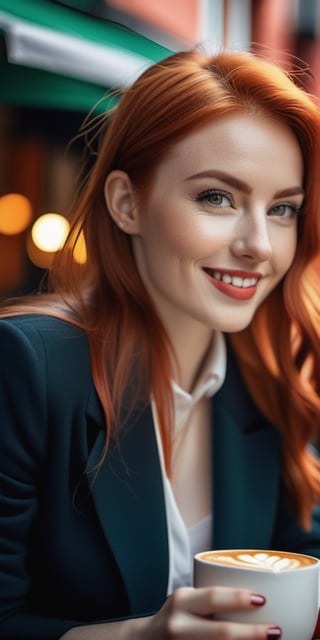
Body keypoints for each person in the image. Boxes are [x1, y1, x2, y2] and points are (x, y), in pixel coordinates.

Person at [1, 47, 320, 640]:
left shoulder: (272, 377)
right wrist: (136, 637)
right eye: (217, 198)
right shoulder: (29, 367)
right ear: (127, 204)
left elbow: (303, 549)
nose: (259, 245)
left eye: (282, 208)